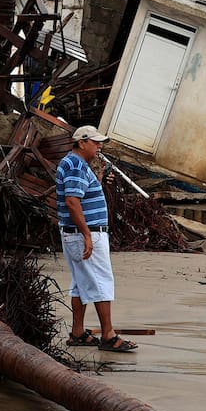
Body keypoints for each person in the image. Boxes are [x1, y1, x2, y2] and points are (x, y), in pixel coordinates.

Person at [55, 125, 137, 353]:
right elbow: (72, 202)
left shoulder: (77, 164)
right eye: (95, 142)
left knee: (81, 284)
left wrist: (97, 180)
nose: (99, 146)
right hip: (84, 233)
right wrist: (87, 235)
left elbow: (79, 196)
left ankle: (78, 332)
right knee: (101, 281)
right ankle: (109, 335)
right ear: (82, 142)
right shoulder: (75, 165)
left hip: (78, 233)